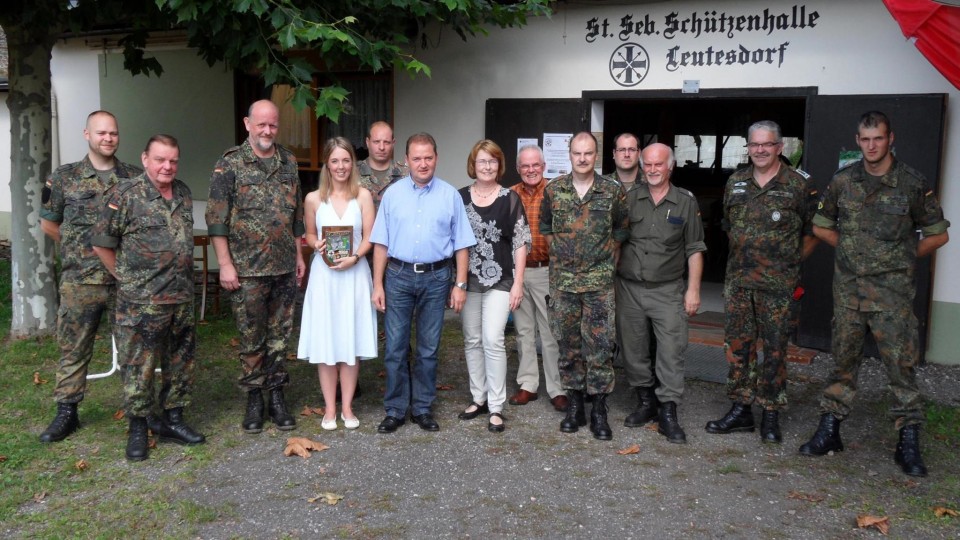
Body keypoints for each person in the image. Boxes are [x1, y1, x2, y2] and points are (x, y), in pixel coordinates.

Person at [799, 111, 950, 477]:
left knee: (902, 369)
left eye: (877, 139)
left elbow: (938, 234)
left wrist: (900, 259)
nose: (871, 146)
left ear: (890, 138)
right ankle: (830, 429)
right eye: (865, 140)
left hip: (892, 297)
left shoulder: (911, 183)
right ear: (857, 141)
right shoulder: (843, 181)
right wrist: (852, 251)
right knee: (842, 363)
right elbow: (821, 226)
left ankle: (908, 441)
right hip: (849, 293)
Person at [91, 134, 204, 461]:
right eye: (160, 160)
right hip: (141, 301)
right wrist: (125, 277)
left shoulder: (182, 191)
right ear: (145, 159)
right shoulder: (124, 195)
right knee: (139, 366)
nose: (167, 166)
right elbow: (101, 242)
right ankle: (139, 427)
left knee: (181, 362)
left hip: (181, 296)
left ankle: (173, 419)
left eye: (172, 160)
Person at [705, 121, 819, 444]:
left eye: (766, 144)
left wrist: (789, 263)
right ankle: (741, 409)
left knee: (775, 349)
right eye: (754, 144)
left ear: (779, 147)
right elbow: (729, 226)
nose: (760, 150)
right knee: (738, 347)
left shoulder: (798, 185)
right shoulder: (736, 182)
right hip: (739, 282)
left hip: (778, 287)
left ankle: (771, 412)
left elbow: (814, 233)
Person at [37, 111, 142, 443]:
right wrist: (79, 250)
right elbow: (49, 224)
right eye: (101, 133)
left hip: (124, 281)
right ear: (87, 134)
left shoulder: (134, 178)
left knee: (134, 347)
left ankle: (140, 412)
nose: (108, 138)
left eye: (113, 132)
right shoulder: (65, 178)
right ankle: (67, 412)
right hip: (80, 281)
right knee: (74, 349)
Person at [206, 99, 306, 434]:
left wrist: (299, 256)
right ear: (247, 124)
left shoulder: (289, 161)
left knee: (279, 338)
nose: (267, 131)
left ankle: (277, 396)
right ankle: (253, 398)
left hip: (282, 269)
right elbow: (216, 220)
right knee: (251, 338)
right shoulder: (230, 163)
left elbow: (296, 217)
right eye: (261, 124)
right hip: (246, 270)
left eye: (273, 125)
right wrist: (224, 265)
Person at [371, 133, 476, 433]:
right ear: (406, 161)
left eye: (428, 157)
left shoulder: (449, 196)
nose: (423, 163)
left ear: (436, 158)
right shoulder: (392, 195)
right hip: (398, 277)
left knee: (429, 349)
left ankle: (422, 408)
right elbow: (380, 243)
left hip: (436, 278)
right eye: (417, 158)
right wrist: (377, 284)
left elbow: (462, 245)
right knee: (395, 347)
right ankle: (395, 409)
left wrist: (460, 284)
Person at [540, 132, 628, 441]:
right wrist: (565, 255)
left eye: (588, 153)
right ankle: (575, 406)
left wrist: (604, 258)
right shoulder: (554, 191)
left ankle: (600, 410)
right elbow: (546, 229)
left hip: (599, 284)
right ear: (570, 154)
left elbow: (620, 230)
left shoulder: (611, 192)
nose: (582, 158)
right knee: (568, 346)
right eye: (577, 153)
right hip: (564, 283)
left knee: (600, 348)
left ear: (596, 155)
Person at [616, 142, 706, 444]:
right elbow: (615, 241)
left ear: (671, 166)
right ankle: (646, 403)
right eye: (648, 165)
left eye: (659, 164)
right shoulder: (628, 199)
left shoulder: (685, 202)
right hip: (628, 288)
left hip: (668, 290)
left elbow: (694, 248)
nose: (653, 170)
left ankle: (668, 411)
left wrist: (693, 290)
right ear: (642, 167)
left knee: (671, 350)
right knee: (634, 349)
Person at [297, 138, 377, 430]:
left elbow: (370, 237)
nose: (341, 166)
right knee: (327, 340)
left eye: (346, 160)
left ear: (352, 164)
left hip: (354, 275)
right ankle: (329, 409)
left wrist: (355, 256)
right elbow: (307, 234)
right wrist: (315, 242)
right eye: (335, 161)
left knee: (350, 339)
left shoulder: (363, 197)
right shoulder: (314, 199)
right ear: (327, 165)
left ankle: (347, 407)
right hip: (325, 277)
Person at [456, 140, 531, 433]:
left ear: (499, 166)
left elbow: (520, 242)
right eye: (481, 161)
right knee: (472, 339)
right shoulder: (460, 197)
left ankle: (497, 406)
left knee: (492, 338)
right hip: (469, 281)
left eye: (492, 162)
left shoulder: (509, 198)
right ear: (473, 165)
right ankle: (479, 398)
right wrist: (458, 282)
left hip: (502, 280)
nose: (487, 167)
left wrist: (519, 284)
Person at [509, 145, 567, 412]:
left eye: (535, 165)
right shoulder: (510, 195)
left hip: (547, 271)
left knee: (550, 332)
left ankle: (557, 389)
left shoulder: (555, 192)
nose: (530, 170)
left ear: (543, 166)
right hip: (518, 273)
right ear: (518, 168)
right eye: (525, 166)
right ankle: (528, 385)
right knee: (523, 331)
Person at [359, 121, 408, 210]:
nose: (381, 147)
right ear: (367, 142)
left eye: (386, 142)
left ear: (393, 143)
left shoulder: (406, 174)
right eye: (376, 142)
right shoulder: (353, 173)